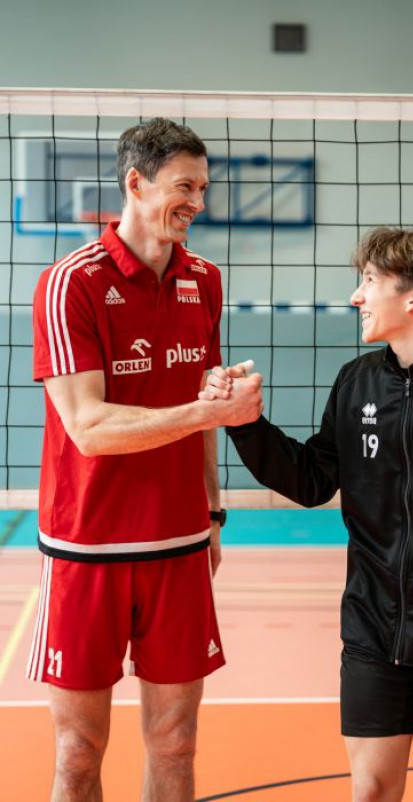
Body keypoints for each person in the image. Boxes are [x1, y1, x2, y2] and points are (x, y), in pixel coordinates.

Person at [201, 227, 413, 802]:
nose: (357, 296)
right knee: (371, 790)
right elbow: (312, 479)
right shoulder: (358, 381)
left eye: (371, 281)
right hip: (372, 626)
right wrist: (245, 424)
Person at [28, 117, 262, 802]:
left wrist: (212, 512)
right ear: (136, 182)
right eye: (184, 187)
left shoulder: (204, 279)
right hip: (87, 546)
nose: (197, 202)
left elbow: (202, 403)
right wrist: (208, 413)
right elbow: (89, 428)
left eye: (203, 188)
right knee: (77, 754)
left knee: (177, 743)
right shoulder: (69, 283)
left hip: (179, 543)